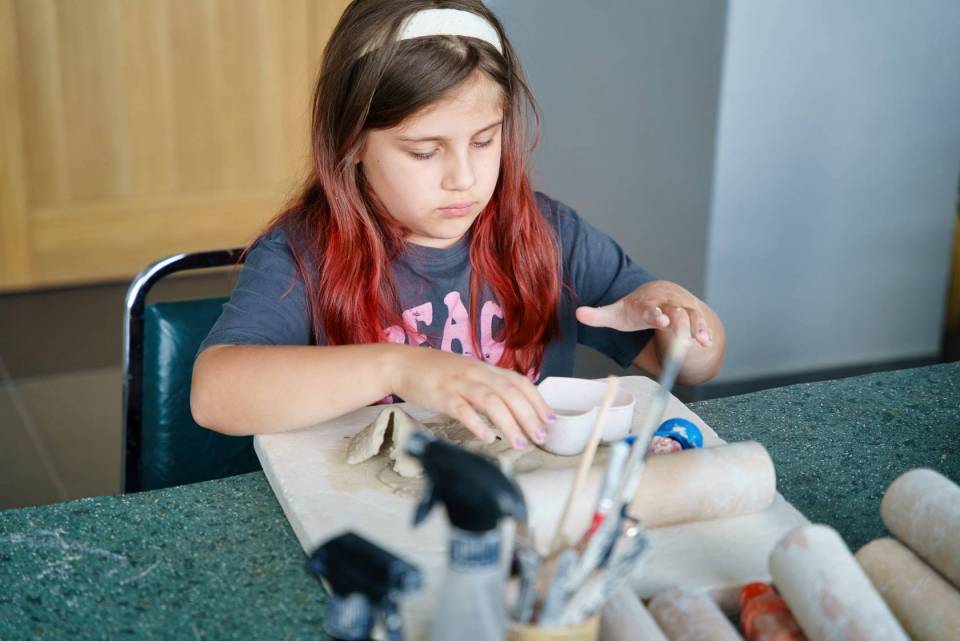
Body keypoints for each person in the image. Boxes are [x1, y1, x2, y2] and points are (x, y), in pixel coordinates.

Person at [190, 0, 725, 451]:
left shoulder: (548, 235)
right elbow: (214, 395)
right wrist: (397, 368)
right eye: (425, 152)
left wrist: (681, 322)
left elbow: (693, 367)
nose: (463, 178)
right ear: (350, 142)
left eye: (484, 141)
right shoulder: (300, 252)